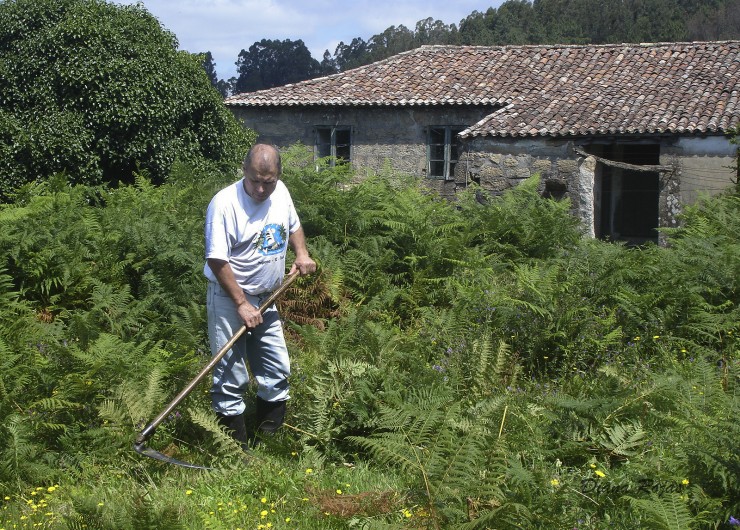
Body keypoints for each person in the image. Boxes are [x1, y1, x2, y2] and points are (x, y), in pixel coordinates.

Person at [204, 143, 316, 449]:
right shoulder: (224, 204)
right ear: (244, 171)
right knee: (230, 373)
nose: (261, 189)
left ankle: (269, 446)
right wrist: (241, 303)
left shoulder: (280, 192)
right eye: (255, 180)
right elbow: (217, 259)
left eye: (268, 181)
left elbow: (292, 225)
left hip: (268, 297)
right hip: (230, 299)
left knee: (276, 369)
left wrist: (302, 253)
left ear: (278, 174)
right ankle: (235, 452)